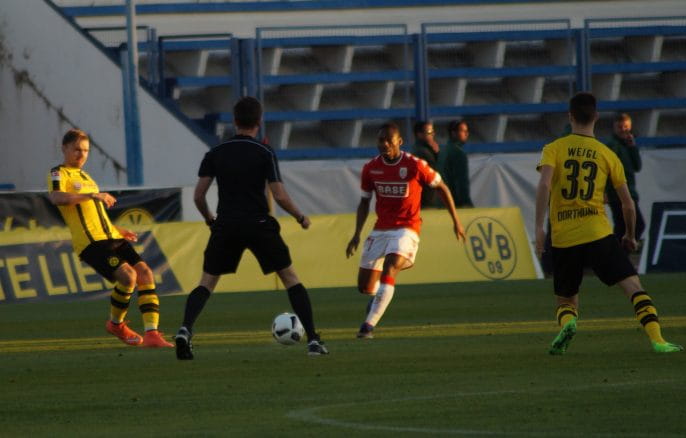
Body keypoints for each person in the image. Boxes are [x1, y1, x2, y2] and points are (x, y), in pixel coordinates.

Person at [174, 96, 328, 359]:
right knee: (290, 278)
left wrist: (210, 219)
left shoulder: (216, 153)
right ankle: (313, 340)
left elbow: (198, 195)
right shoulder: (264, 152)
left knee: (207, 282)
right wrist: (300, 216)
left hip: (226, 225)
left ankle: (185, 329)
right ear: (259, 122)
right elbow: (279, 195)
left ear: (234, 121)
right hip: (258, 224)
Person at [534, 92, 682, 355]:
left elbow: (544, 184)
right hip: (598, 232)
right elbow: (627, 203)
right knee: (633, 287)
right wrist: (629, 235)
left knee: (566, 298)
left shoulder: (553, 149)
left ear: (570, 117)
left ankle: (569, 324)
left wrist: (539, 228)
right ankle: (657, 339)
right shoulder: (607, 154)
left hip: (564, 236)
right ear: (597, 117)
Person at [48, 129, 172, 348]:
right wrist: (92, 195)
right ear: (64, 148)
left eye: (85, 150)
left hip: (110, 235)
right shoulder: (59, 173)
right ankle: (116, 324)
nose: (81, 154)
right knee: (128, 277)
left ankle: (152, 334)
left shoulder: (86, 177)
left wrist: (116, 228)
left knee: (144, 273)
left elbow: (93, 213)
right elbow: (57, 198)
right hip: (91, 243)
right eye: (77, 149)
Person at [346, 122, 465, 339]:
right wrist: (356, 234)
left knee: (390, 268)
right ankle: (376, 301)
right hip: (380, 230)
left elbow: (442, 188)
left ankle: (367, 326)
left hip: (407, 229)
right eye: (380, 141)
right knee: (365, 286)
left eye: (388, 142)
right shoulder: (371, 168)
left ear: (399, 142)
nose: (383, 145)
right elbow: (364, 202)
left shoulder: (415, 165)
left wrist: (456, 221)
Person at [605, 113, 645, 243]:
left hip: (627, 192)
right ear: (614, 128)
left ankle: (616, 258)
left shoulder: (627, 145)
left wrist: (632, 147)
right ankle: (618, 257)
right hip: (619, 194)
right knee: (635, 226)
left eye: (626, 127)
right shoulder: (612, 145)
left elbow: (637, 166)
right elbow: (606, 170)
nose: (623, 130)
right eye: (620, 127)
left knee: (623, 228)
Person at [437, 119, 473, 207]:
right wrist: (466, 202)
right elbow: (461, 182)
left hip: (441, 202)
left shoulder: (443, 151)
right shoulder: (458, 153)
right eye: (463, 131)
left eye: (467, 131)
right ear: (453, 133)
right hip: (454, 203)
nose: (466, 134)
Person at [411, 121, 440, 208]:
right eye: (429, 132)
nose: (433, 135)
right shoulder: (422, 152)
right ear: (419, 135)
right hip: (427, 199)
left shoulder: (422, 149)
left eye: (433, 132)